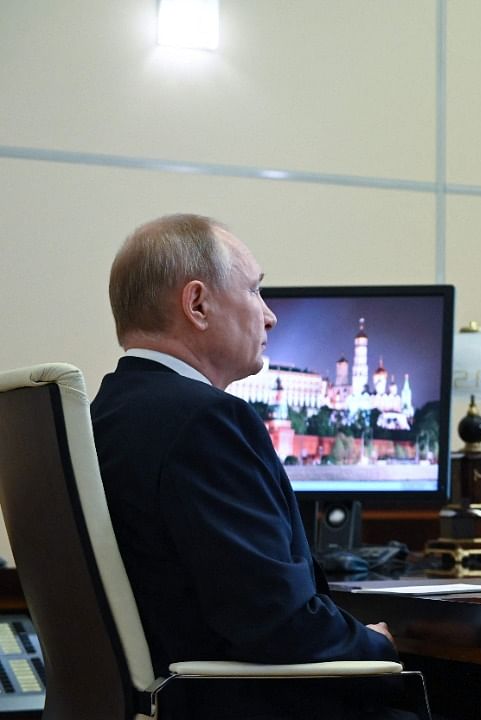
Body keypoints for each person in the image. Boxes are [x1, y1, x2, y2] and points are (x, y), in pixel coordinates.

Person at [91, 215, 413, 719]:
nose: (270, 316)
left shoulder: (105, 411)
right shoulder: (206, 421)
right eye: (256, 291)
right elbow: (277, 622)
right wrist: (375, 645)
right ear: (197, 304)